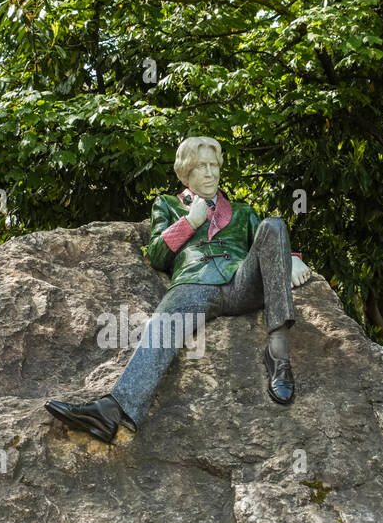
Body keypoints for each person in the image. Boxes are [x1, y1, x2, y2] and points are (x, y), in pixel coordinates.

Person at [45, 135, 311, 444]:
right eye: (201, 167)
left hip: (242, 283)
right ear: (185, 173)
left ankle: (279, 359)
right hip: (194, 284)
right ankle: (112, 410)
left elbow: (265, 245)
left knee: (275, 224)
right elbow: (157, 254)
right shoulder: (168, 205)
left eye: (214, 166)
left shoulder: (242, 211)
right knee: (164, 324)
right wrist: (191, 220)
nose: (210, 173)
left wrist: (289, 259)